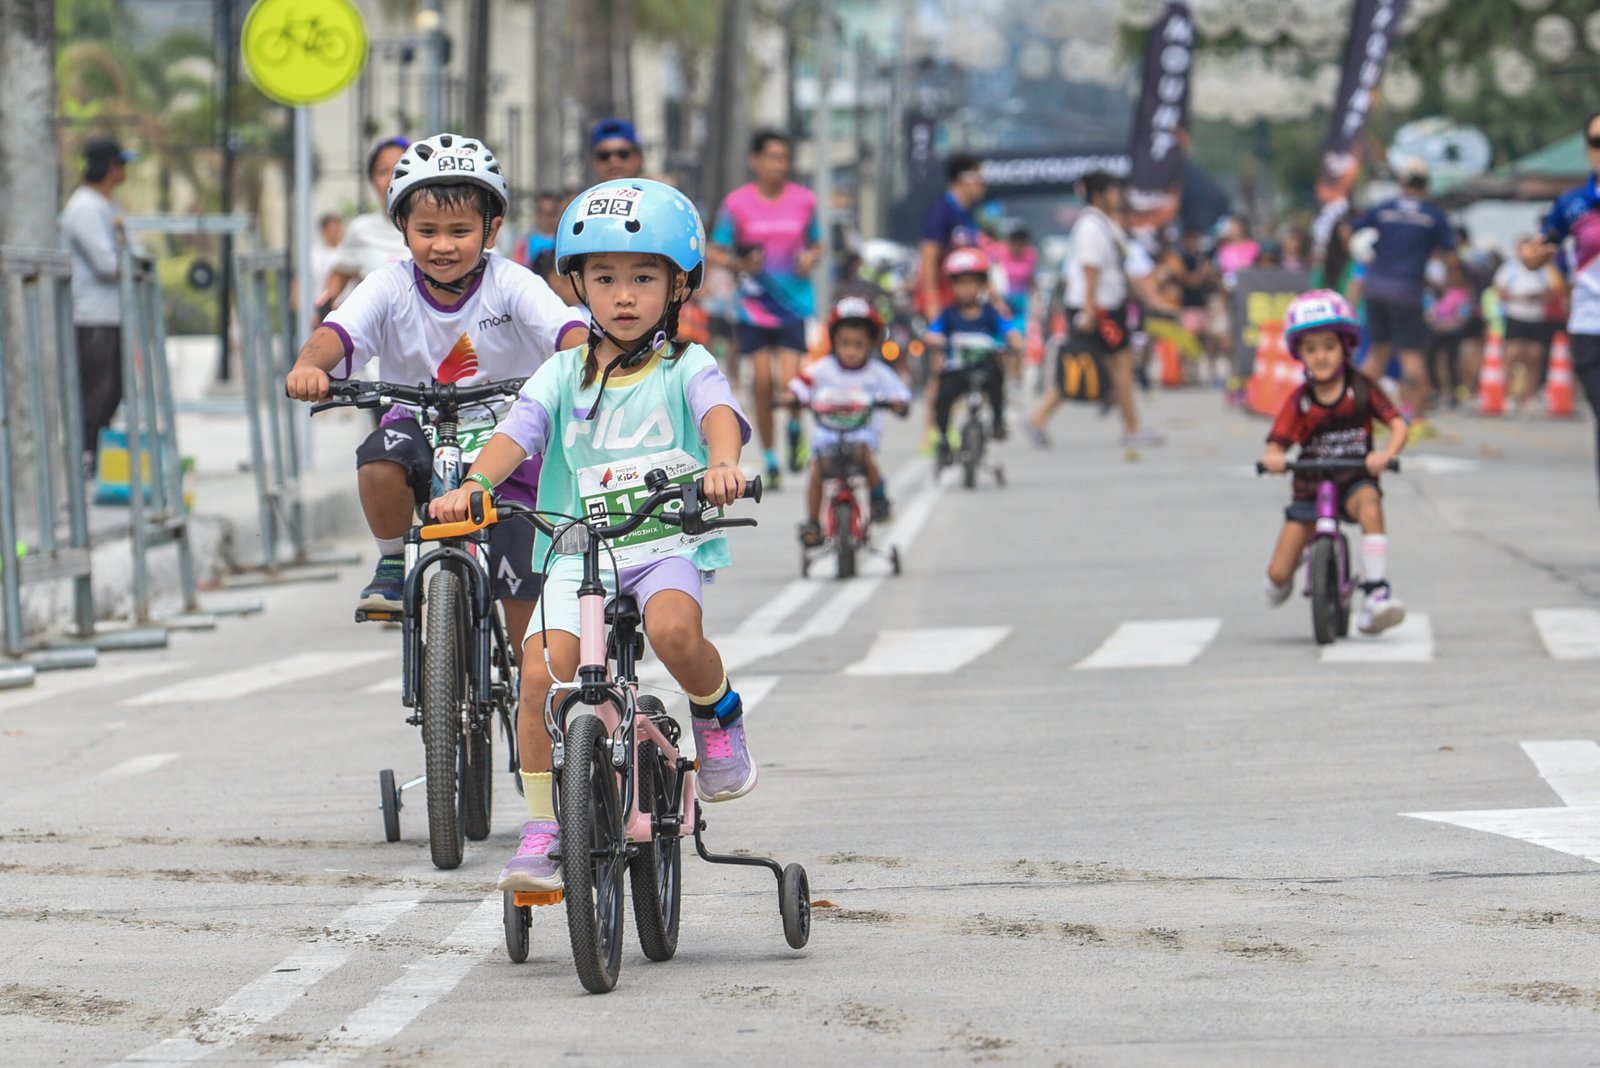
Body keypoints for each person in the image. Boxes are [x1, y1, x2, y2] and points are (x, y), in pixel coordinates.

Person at [424, 178, 757, 893]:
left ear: (678, 287)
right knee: (541, 673)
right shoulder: (559, 372)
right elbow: (517, 433)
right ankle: (545, 826)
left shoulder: (685, 365)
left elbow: (718, 414)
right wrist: (476, 486)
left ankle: (717, 712)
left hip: (664, 542)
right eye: (605, 279)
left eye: (644, 277)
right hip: (580, 551)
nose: (625, 295)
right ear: (578, 285)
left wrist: (723, 462)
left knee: (674, 635)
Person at [283, 133, 589, 644]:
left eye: (460, 230)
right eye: (426, 230)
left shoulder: (511, 283)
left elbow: (566, 332)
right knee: (379, 457)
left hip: (507, 441)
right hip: (416, 428)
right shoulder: (388, 285)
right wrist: (307, 368)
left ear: (490, 231)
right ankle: (389, 563)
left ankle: (530, 694)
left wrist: (587, 366)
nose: (442, 245)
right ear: (401, 228)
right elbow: (334, 335)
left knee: (527, 630)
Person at [1260, 290, 1408, 635]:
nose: (1321, 356)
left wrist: (1385, 454)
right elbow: (1277, 440)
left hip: (1354, 479)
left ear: (1345, 346)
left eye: (1329, 346)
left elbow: (1398, 423)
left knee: (1371, 503)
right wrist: (1274, 457)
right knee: (1276, 580)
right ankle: (1294, 565)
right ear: (1300, 355)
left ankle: (1375, 595)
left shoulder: (1362, 389)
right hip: (1311, 486)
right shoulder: (1301, 400)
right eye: (1311, 349)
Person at [708, 129, 822, 487]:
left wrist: (809, 258)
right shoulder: (737, 204)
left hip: (793, 305)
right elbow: (715, 250)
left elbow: (817, 245)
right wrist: (740, 266)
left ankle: (792, 427)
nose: (779, 165)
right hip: (753, 307)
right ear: (754, 161)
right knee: (761, 381)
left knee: (789, 383)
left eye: (784, 158)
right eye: (771, 157)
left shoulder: (804, 201)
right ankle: (771, 459)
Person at [1026, 171, 1162, 448]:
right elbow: (1090, 270)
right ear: (1100, 193)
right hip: (1098, 310)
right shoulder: (1091, 226)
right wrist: (1089, 311)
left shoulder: (1105, 225)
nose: (1118, 196)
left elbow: (1120, 270)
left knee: (1111, 363)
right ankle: (1131, 427)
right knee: (1108, 364)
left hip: (1107, 306)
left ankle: (1040, 419)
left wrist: (1148, 298)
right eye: (1113, 190)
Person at [787, 297, 911, 546]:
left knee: (864, 456)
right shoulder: (824, 368)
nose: (851, 351)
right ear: (834, 342)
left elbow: (900, 393)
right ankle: (813, 523)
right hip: (827, 439)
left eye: (858, 344)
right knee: (816, 472)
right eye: (845, 344)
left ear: (871, 344)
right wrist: (792, 396)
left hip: (860, 437)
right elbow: (800, 384)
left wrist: (898, 402)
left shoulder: (877, 372)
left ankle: (878, 499)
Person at [1348, 158, 1458, 435]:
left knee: (1375, 353)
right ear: (1427, 185)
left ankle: (1359, 416)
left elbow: (1348, 229)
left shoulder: (1383, 209)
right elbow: (1451, 256)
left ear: (1401, 182)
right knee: (1412, 356)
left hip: (1376, 288)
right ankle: (1416, 419)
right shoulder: (1433, 215)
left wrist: (1367, 257)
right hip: (1408, 291)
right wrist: (1448, 284)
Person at [1524, 111, 1600, 502]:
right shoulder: (1573, 204)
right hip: (1591, 328)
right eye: (1597, 142)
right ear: (1588, 150)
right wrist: (1532, 256)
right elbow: (1538, 247)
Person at [61, 135, 135, 467]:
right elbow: (108, 263)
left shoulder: (108, 206)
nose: (124, 171)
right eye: (120, 164)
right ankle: (84, 455)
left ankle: (99, 454)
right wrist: (135, 266)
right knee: (95, 390)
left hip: (114, 315)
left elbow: (130, 249)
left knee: (113, 391)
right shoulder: (84, 207)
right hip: (92, 316)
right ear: (108, 167)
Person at [926, 248, 1019, 466]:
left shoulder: (990, 312)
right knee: (942, 396)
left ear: (982, 285)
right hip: (957, 368)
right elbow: (934, 332)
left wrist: (1014, 341)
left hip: (984, 367)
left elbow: (1008, 329)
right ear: (953, 286)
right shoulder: (948, 314)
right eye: (961, 283)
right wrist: (934, 340)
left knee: (997, 378)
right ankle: (943, 437)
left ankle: (997, 420)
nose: (966, 289)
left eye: (972, 283)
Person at [315, 137, 411, 312]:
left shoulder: (438, 228)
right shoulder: (361, 229)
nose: (391, 179)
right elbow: (339, 274)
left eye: (400, 170)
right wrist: (324, 309)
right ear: (372, 180)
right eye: (383, 171)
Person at [514, 190, 563, 268]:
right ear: (537, 214)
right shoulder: (524, 244)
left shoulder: (564, 242)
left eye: (552, 213)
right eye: (547, 214)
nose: (548, 219)